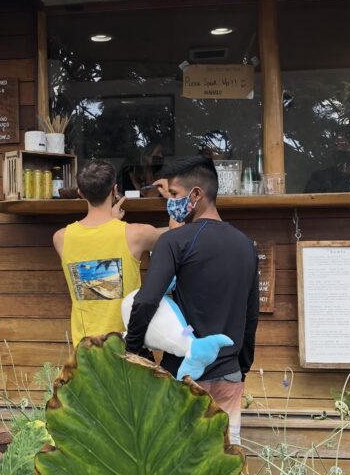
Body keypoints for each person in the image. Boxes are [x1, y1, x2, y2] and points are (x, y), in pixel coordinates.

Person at [124, 155, 259, 444]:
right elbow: (250, 315)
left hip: (181, 377)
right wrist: (240, 365)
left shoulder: (174, 241)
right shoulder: (246, 245)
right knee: (225, 462)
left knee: (180, 464)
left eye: (174, 194)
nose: (170, 202)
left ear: (196, 194)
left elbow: (147, 300)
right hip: (229, 375)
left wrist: (133, 350)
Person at [53, 159, 166, 345]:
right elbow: (175, 239)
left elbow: (96, 241)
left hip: (84, 351)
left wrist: (110, 220)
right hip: (126, 348)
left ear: (80, 193)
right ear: (114, 190)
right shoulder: (136, 234)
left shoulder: (61, 238)